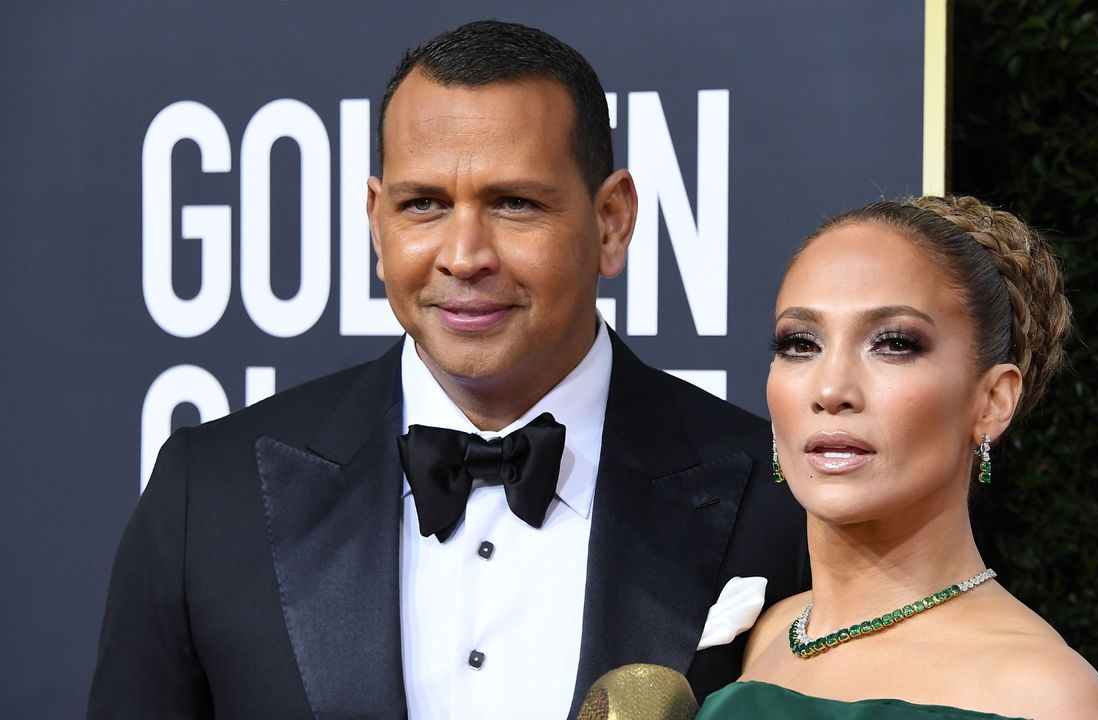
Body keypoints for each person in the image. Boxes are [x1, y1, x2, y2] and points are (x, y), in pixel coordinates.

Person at [88, 20, 807, 719]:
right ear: (378, 222)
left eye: (515, 203)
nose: (464, 256)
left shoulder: (783, 502)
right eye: (424, 204)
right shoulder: (210, 495)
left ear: (612, 222)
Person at [698, 196, 1098, 719]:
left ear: (992, 402)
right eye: (800, 344)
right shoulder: (760, 636)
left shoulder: (1044, 695)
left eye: (894, 343)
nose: (831, 389)